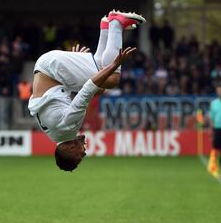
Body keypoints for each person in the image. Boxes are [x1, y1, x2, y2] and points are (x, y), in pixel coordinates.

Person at [28, 10, 145, 171]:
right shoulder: (55, 135)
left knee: (112, 79)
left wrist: (115, 65)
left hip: (54, 69)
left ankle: (116, 23)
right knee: (100, 83)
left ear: (70, 149)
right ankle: (105, 26)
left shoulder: (69, 128)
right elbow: (92, 90)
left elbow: (88, 88)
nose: (84, 151)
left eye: (81, 155)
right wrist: (74, 64)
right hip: (49, 67)